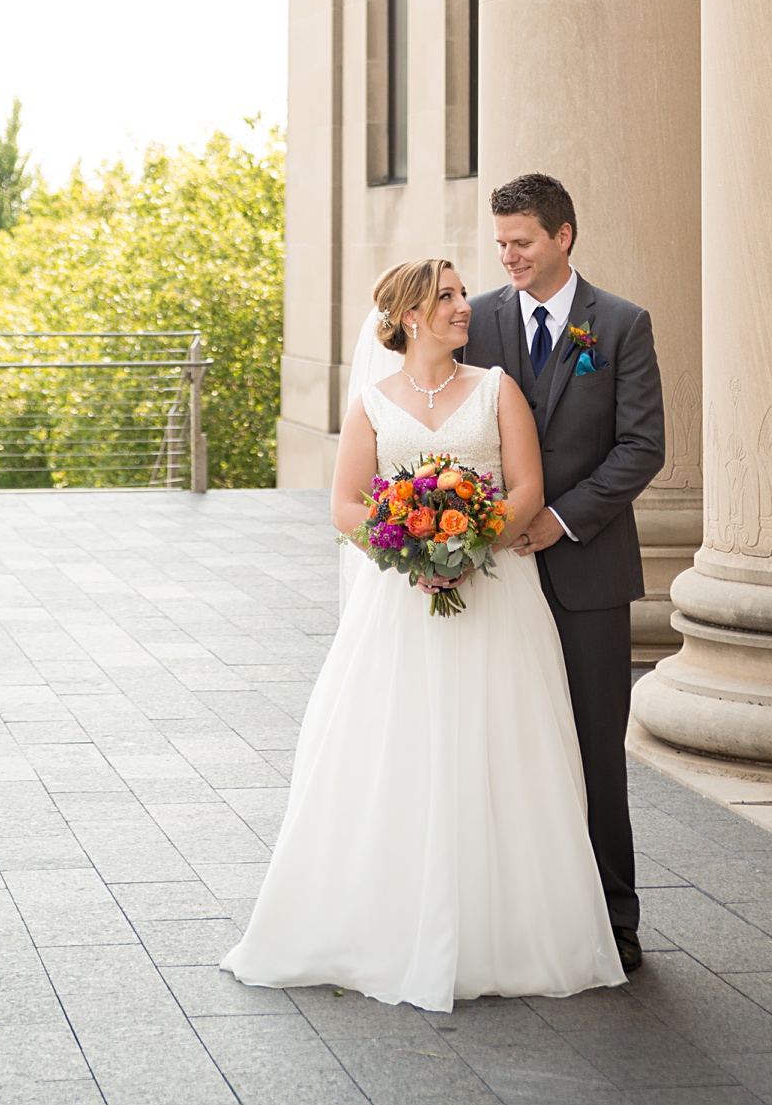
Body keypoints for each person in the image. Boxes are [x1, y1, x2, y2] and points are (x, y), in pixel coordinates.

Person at [221, 258, 624, 1010]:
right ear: (410, 316)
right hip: (401, 602)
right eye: (446, 297)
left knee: (499, 744)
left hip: (498, 593)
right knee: (397, 746)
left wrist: (468, 549)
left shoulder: (497, 388)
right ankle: (387, 922)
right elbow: (345, 505)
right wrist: (411, 554)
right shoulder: (373, 403)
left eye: (461, 293)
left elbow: (527, 488)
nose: (463, 306)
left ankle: (508, 929)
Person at [465, 173, 666, 975]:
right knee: (502, 747)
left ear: (564, 236)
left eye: (523, 242)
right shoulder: (473, 321)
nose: (509, 257)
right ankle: (512, 912)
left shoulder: (619, 325)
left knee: (593, 752)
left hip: (588, 572)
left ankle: (615, 917)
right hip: (498, 580)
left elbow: (641, 446)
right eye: (502, 244)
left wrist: (563, 515)